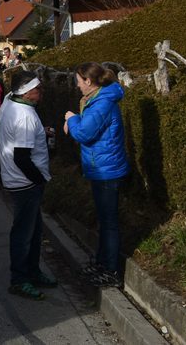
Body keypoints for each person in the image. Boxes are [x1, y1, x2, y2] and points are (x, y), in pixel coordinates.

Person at [63, 62, 129, 287]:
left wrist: (71, 119)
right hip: (101, 166)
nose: (78, 86)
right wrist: (75, 122)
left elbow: (84, 133)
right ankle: (102, 263)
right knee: (104, 220)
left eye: (79, 82)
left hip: (106, 170)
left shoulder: (101, 103)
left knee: (109, 222)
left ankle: (110, 270)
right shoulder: (98, 100)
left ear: (88, 81)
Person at [0, 70, 57, 300]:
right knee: (24, 232)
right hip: (25, 182)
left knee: (34, 230)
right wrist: (39, 180)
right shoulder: (24, 115)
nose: (41, 92)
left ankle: (32, 271)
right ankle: (20, 279)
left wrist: (42, 132)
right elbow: (21, 156)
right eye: (37, 89)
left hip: (18, 179)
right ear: (26, 91)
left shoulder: (11, 102)